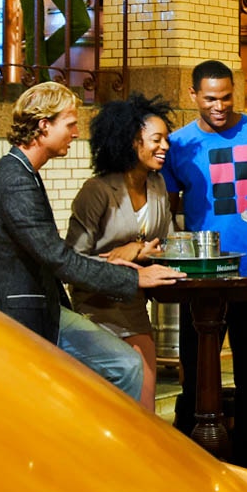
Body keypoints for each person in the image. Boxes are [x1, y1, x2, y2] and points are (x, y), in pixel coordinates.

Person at [0, 82, 182, 401]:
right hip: (18, 314)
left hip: (44, 307)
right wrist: (133, 277)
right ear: (44, 126)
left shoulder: (23, 173)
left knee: (127, 364)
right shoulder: (15, 181)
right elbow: (59, 258)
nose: (76, 133)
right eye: (70, 124)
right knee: (122, 366)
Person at [162, 60, 247, 470]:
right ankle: (188, 469)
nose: (218, 106)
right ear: (192, 95)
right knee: (194, 380)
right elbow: (168, 213)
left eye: (225, 97)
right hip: (200, 280)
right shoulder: (178, 145)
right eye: (209, 99)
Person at [64, 93, 177, 411]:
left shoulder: (157, 186)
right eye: (156, 139)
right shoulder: (97, 190)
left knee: (144, 406)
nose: (165, 146)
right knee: (110, 407)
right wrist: (124, 255)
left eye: (166, 139)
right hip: (96, 309)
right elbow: (72, 260)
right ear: (131, 141)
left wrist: (138, 249)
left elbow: (167, 242)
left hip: (135, 307)